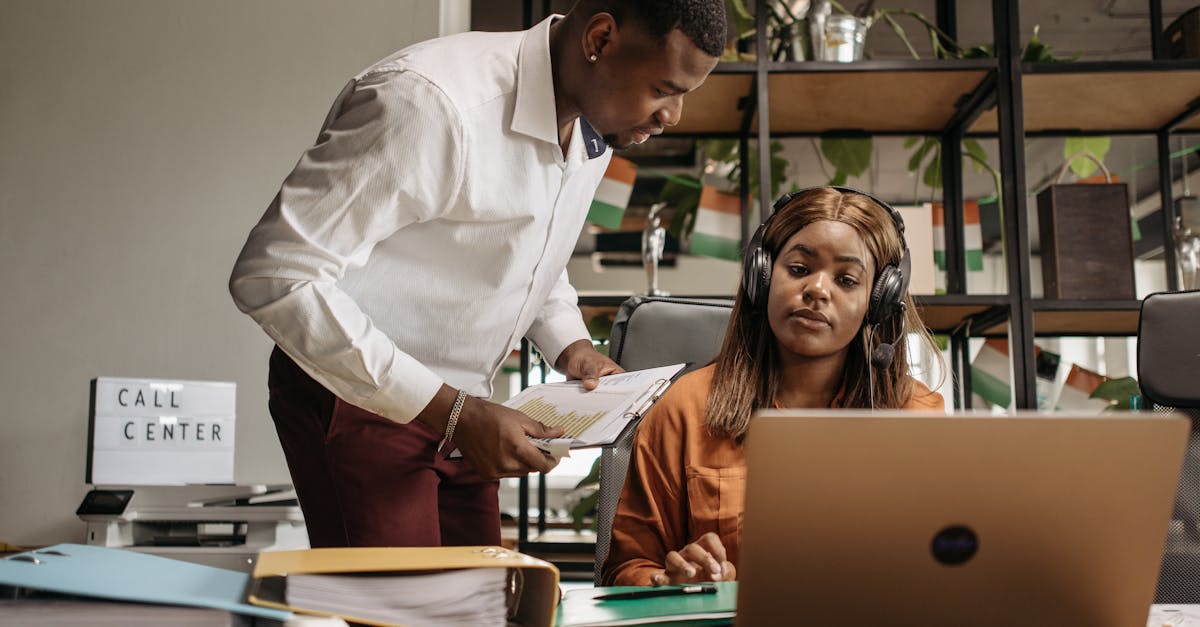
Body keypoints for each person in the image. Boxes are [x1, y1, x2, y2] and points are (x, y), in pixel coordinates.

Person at [227, 1, 726, 548]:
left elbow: (529, 245)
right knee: (404, 613)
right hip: (356, 397)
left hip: (469, 410)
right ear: (601, 39)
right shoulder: (429, 103)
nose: (672, 116)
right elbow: (275, 272)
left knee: (480, 608)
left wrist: (570, 345)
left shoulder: (597, 120)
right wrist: (453, 411)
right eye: (663, 89)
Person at [600, 186, 945, 586]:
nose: (817, 289)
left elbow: (943, 568)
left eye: (847, 280)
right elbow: (626, 569)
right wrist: (675, 583)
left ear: (879, 301)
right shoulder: (686, 408)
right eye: (799, 269)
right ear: (761, 276)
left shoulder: (915, 414)